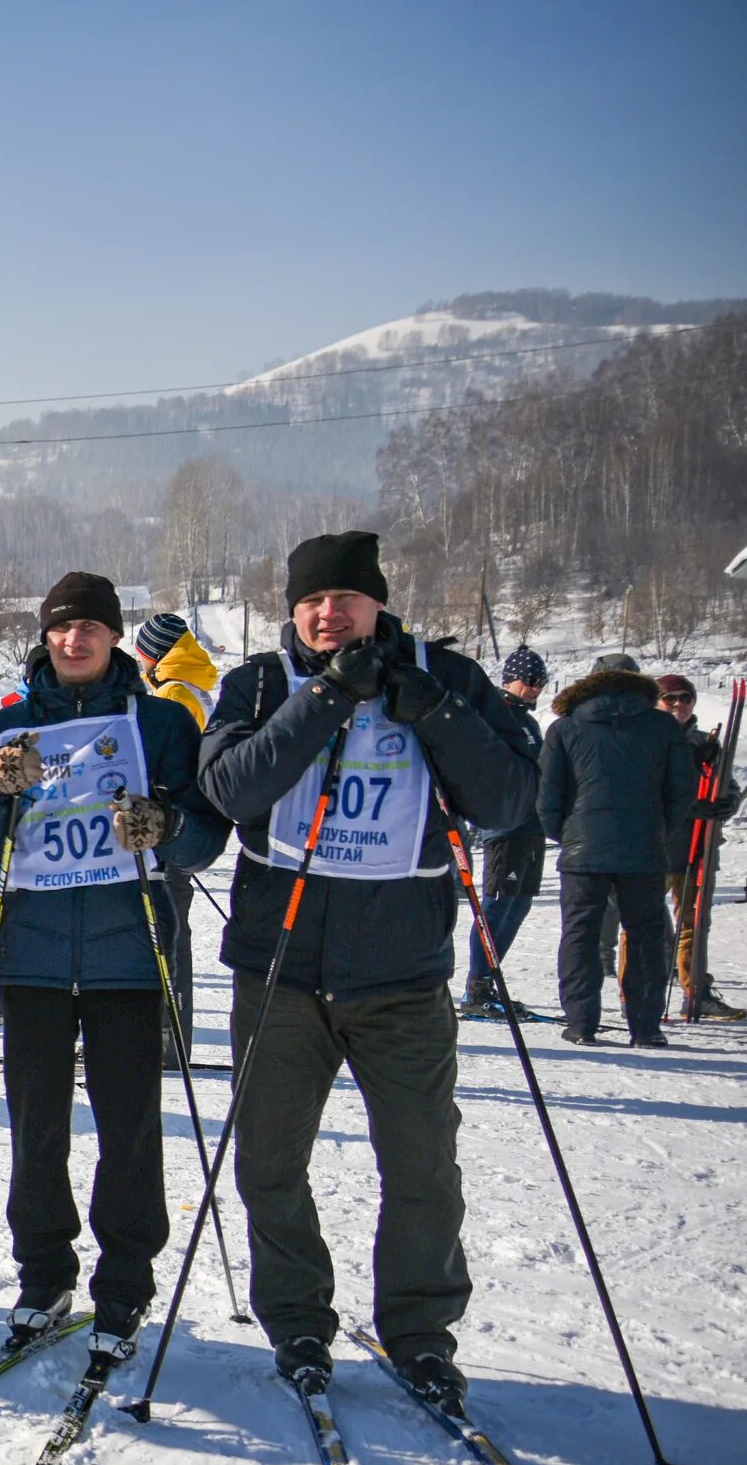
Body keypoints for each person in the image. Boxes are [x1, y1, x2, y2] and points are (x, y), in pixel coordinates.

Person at [197, 531, 536, 1404]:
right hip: (279, 969)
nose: (326, 613)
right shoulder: (261, 683)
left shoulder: (449, 680)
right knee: (269, 1162)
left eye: (345, 599)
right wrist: (322, 700)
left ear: (377, 602)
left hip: (401, 975)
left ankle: (421, 1334)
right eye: (311, 600)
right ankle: (299, 1321)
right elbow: (232, 790)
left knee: (422, 1164)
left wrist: (432, 713)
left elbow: (506, 802)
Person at [0, 573, 231, 1361]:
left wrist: (165, 824)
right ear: (45, 636)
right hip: (34, 956)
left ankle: (126, 1284)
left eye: (93, 629)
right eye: (63, 628)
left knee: (129, 1130)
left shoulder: (163, 721)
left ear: (115, 637)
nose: (76, 641)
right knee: (36, 1130)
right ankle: (43, 1276)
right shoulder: (6, 722)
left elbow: (207, 839)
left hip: (128, 955)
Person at [539, 654, 685, 1048]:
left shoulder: (565, 728)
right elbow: (680, 792)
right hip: (644, 847)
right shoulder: (663, 726)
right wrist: (658, 830)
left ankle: (581, 1023)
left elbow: (548, 797)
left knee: (580, 934)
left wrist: (568, 834)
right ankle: (646, 1026)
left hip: (583, 850)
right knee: (645, 935)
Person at [130, 610, 220, 1042]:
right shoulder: (191, 683)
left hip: (167, 827)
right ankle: (169, 1031)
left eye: (142, 650)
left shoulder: (174, 693)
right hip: (174, 821)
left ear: (156, 654)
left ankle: (169, 1033)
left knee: (168, 933)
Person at [457, 646, 550, 1019]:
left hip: (532, 823)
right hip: (505, 824)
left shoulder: (529, 723)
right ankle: (476, 987)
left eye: (540, 682)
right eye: (530, 681)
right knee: (496, 905)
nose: (535, 689)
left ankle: (489, 981)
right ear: (510, 679)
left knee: (519, 904)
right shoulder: (493, 714)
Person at [657, 672, 741, 1020]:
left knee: (694, 922)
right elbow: (652, 793)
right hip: (656, 845)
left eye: (685, 698)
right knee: (642, 923)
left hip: (699, 845)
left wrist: (727, 804)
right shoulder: (647, 741)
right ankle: (639, 993)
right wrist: (694, 806)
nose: (678, 704)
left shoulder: (708, 744)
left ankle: (696, 991)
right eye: (670, 698)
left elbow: (729, 786)